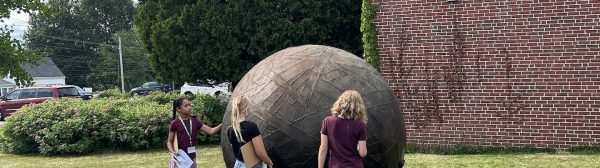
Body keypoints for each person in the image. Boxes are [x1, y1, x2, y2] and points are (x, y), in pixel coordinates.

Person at [318, 90, 368, 168]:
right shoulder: (360, 124)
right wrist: (358, 146)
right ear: (358, 106)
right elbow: (363, 153)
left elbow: (323, 149)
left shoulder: (327, 121)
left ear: (340, 102)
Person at [167, 98, 223, 168]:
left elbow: (211, 131)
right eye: (186, 106)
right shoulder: (175, 123)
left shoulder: (195, 121)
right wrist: (173, 151)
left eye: (189, 105)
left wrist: (223, 123)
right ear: (178, 109)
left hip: (192, 159)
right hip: (180, 160)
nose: (189, 107)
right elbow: (169, 141)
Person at [227, 96, 274, 168]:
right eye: (249, 106)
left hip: (238, 165)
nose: (250, 108)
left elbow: (237, 151)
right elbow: (260, 152)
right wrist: (269, 162)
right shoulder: (251, 127)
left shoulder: (230, 129)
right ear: (246, 109)